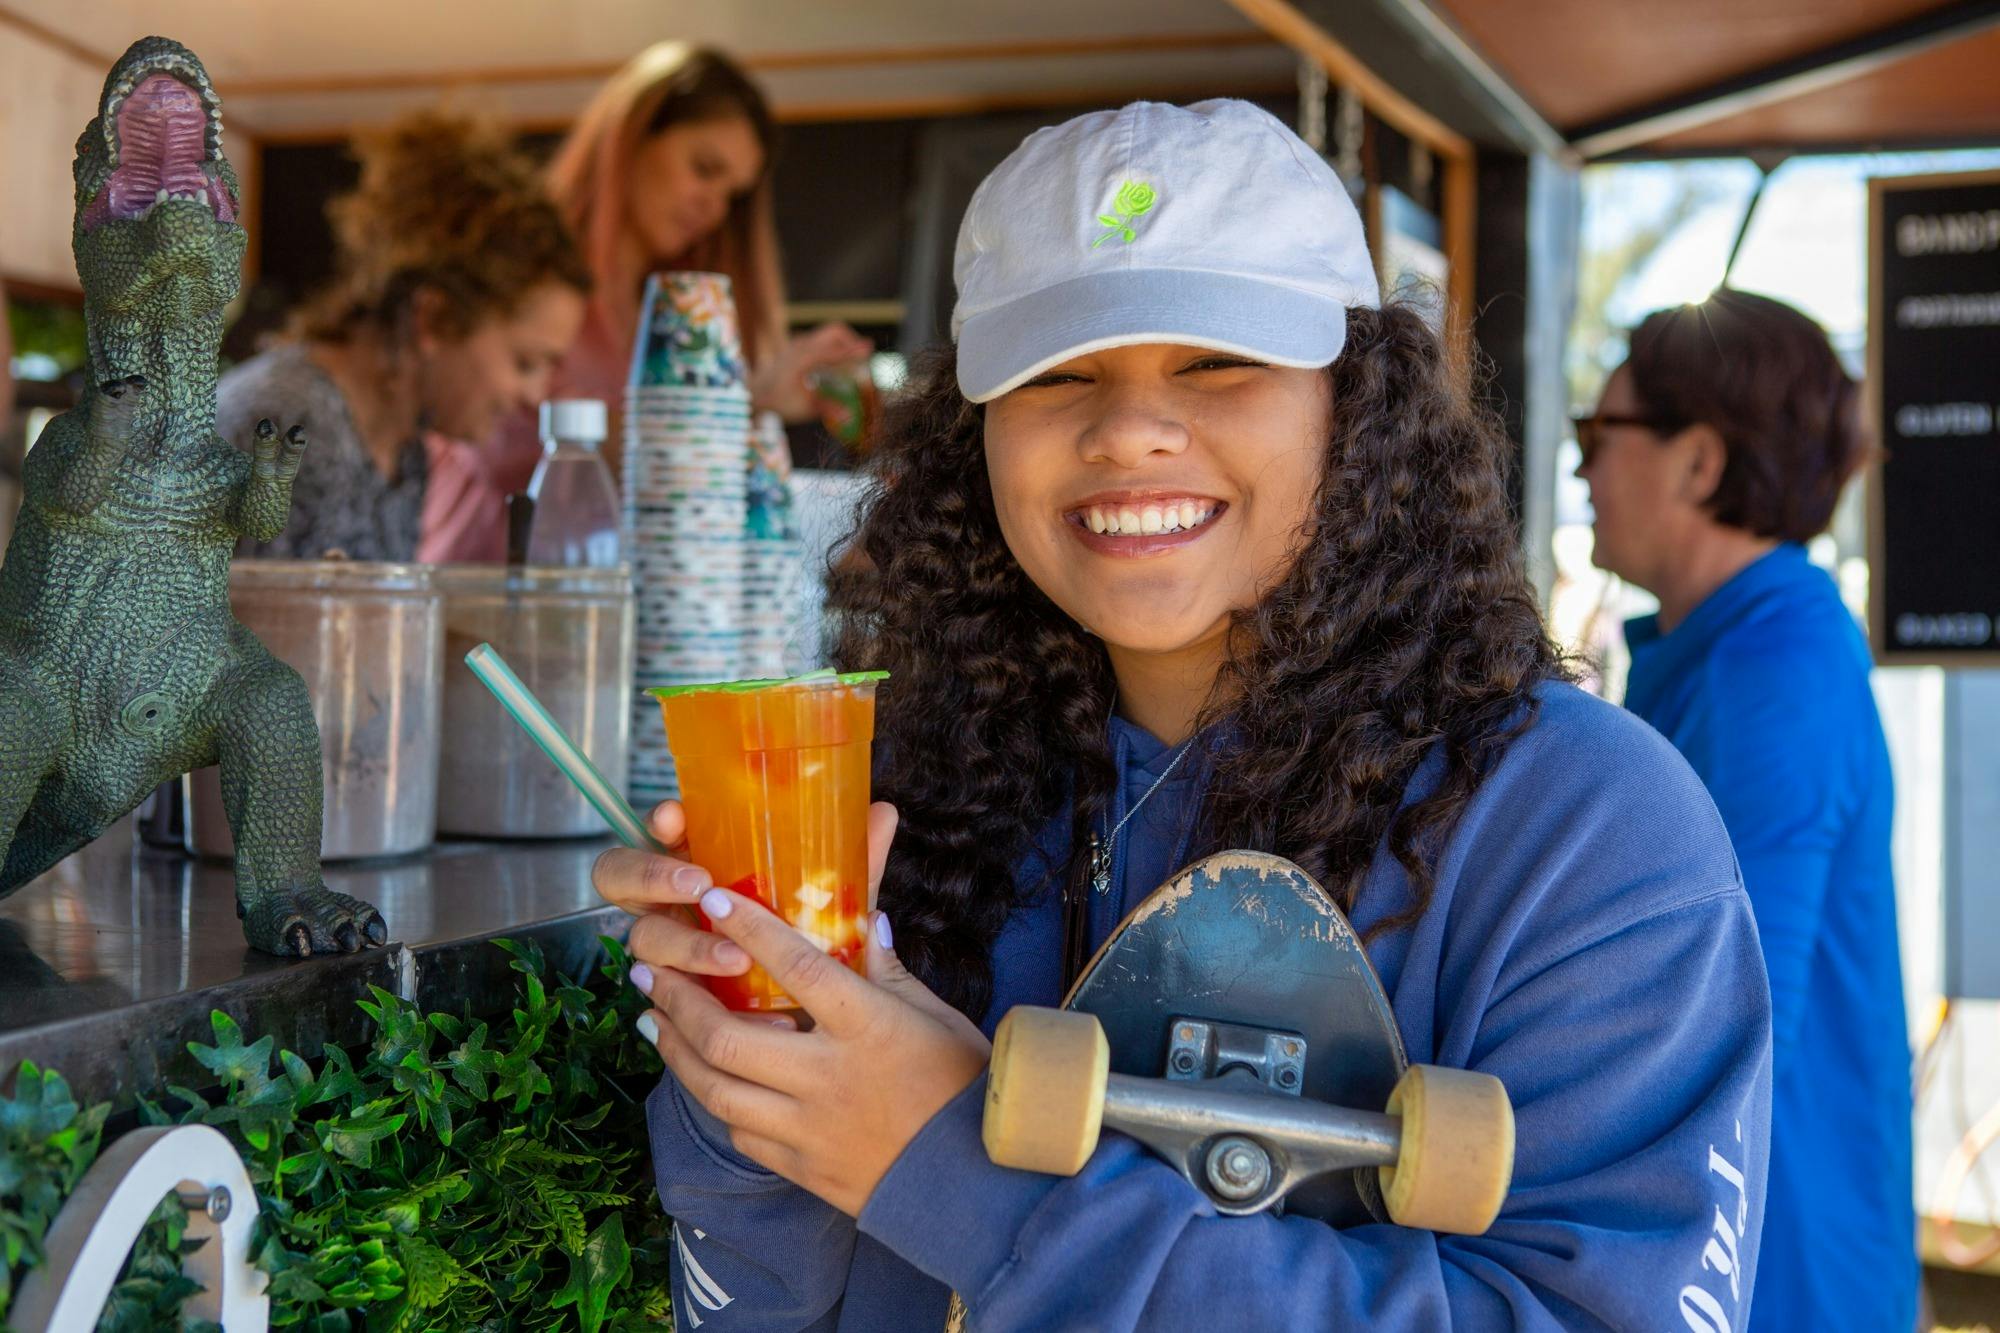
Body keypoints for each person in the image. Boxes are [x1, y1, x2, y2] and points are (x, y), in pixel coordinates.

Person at [594, 100, 1774, 1329]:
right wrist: (752, 1078)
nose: (1130, 430)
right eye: (1056, 373)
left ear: (1353, 401)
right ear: (973, 437)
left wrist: (955, 1164)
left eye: (1217, 361)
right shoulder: (900, 797)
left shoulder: (1584, 827)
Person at [1577, 288, 1915, 1332]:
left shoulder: (1767, 675)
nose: (1581, 466)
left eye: (1599, 432)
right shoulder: (1730, 650)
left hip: (1770, 1279)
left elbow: (1724, 1029)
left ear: (1698, 463)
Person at [417, 43, 871, 563]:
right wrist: (747, 402)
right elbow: (523, 447)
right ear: (631, 138)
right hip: (483, 595)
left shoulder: (673, 315)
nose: (715, 207)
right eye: (704, 169)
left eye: (733, 195)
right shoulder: (527, 271)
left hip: (608, 609)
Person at [216, 112, 589, 561]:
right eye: (526, 363)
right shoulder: (287, 427)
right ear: (433, 319)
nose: (536, 395)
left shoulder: (406, 447)